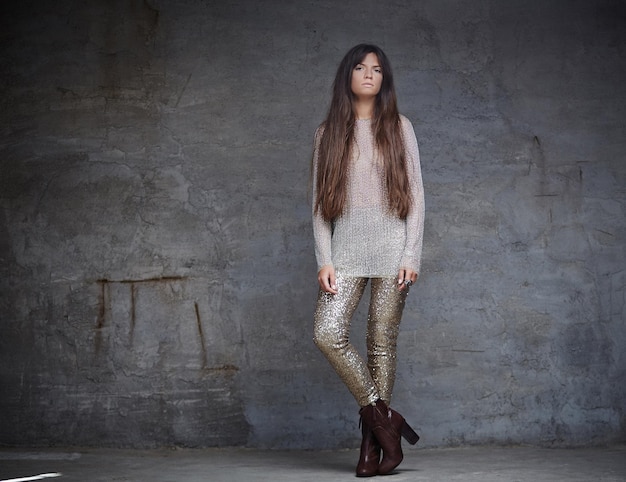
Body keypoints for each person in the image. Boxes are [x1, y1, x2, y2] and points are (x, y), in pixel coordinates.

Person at [311, 44, 425, 477]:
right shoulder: (327, 134)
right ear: (348, 76)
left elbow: (416, 199)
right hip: (345, 256)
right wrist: (325, 259)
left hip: (394, 253)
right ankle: (386, 421)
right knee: (327, 332)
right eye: (360, 67)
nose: (369, 74)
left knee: (381, 345)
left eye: (377, 69)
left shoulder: (400, 127)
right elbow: (320, 207)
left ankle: (371, 450)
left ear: (384, 79)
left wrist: (411, 253)